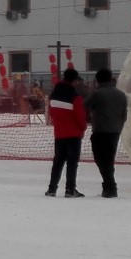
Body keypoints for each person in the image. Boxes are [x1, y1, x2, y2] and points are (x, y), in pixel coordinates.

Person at [45, 68, 87, 197]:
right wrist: (83, 128)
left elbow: (51, 113)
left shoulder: (54, 94)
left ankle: (52, 189)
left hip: (59, 134)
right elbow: (80, 116)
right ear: (74, 80)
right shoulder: (75, 96)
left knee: (57, 162)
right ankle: (70, 189)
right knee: (72, 163)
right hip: (74, 135)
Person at [86, 68, 127, 199]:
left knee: (101, 159)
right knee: (109, 159)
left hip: (100, 131)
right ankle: (109, 187)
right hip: (115, 131)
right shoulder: (121, 95)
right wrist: (119, 127)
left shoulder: (96, 94)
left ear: (97, 80)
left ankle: (110, 187)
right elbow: (124, 115)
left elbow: (84, 106)